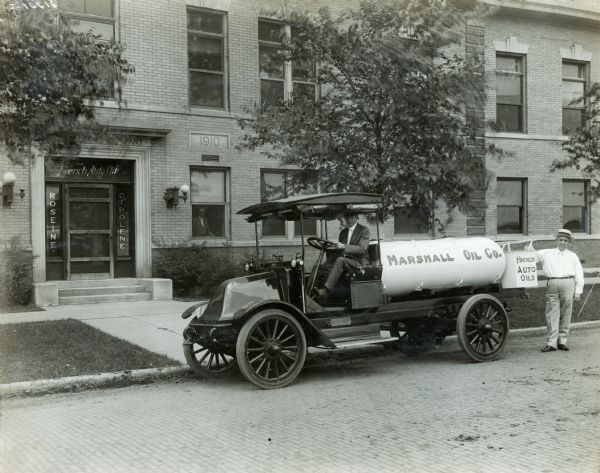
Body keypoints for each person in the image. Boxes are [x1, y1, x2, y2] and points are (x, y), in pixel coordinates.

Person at [531, 228, 584, 352]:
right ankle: (552, 342)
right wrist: (528, 248)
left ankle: (563, 341)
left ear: (568, 242)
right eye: (560, 240)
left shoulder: (572, 256)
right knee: (552, 312)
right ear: (556, 240)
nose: (563, 243)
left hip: (568, 282)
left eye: (565, 240)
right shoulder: (546, 253)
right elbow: (531, 256)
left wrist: (578, 291)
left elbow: (579, 273)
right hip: (552, 283)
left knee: (566, 312)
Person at [315, 212, 370, 299]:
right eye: (347, 217)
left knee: (340, 260)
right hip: (345, 260)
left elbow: (362, 249)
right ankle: (316, 288)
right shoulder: (343, 232)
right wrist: (332, 247)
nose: (348, 220)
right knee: (325, 264)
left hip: (358, 262)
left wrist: (344, 246)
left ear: (356, 217)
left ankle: (326, 291)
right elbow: (340, 249)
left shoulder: (364, 230)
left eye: (351, 217)